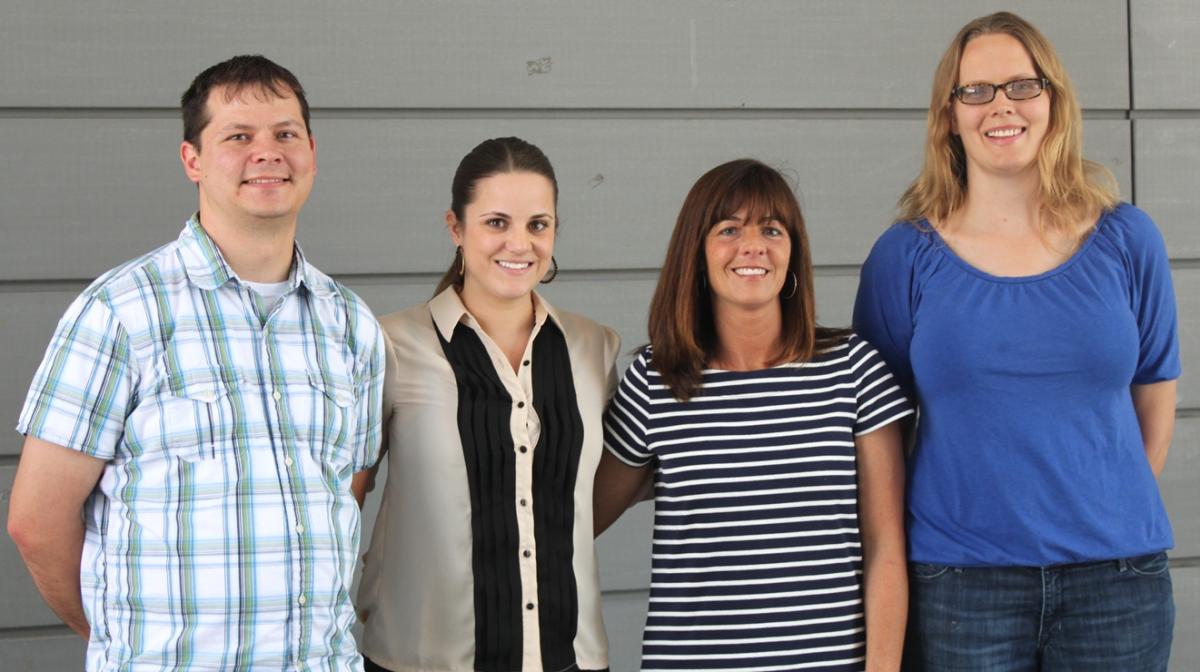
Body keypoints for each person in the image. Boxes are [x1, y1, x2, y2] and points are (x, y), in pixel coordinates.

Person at [7, 55, 385, 670]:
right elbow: (36, 522)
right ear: (193, 161)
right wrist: (115, 640)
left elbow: (347, 490)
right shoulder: (120, 312)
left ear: (311, 151)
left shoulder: (351, 325)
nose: (267, 153)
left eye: (285, 134)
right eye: (238, 136)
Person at [853, 11, 1179, 671]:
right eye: (976, 91)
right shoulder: (904, 258)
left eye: (1021, 86)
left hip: (1117, 580)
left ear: (1053, 101)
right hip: (961, 584)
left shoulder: (1128, 239)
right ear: (949, 115)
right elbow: (876, 435)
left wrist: (1100, 509)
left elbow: (1156, 391)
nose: (1001, 106)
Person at [595, 159, 912, 671]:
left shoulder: (852, 369)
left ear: (793, 250)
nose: (753, 246)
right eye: (728, 229)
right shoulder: (657, 380)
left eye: (771, 228)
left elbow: (886, 552)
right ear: (696, 253)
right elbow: (573, 519)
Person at [352, 137, 620, 672]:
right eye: (496, 222)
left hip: (570, 660)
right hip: (422, 660)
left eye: (537, 225)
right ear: (456, 227)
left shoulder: (595, 349)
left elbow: (598, 493)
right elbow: (341, 501)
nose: (519, 243)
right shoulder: (390, 346)